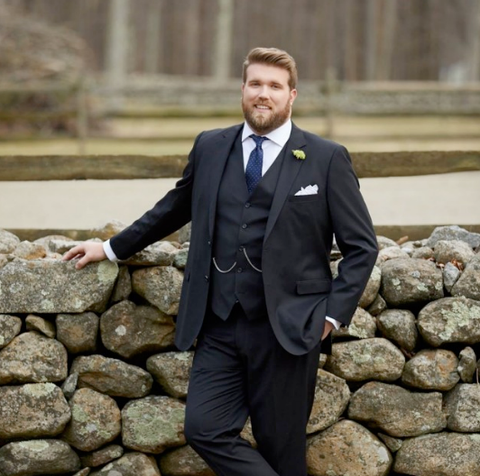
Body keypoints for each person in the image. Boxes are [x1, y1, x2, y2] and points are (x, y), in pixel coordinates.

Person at [63, 47, 378, 476]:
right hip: (220, 323)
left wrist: (332, 317)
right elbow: (174, 208)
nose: (263, 94)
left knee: (281, 450)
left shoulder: (325, 158)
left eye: (274, 86)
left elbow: (362, 246)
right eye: (255, 84)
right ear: (242, 89)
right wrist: (112, 248)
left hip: (289, 328)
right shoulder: (211, 146)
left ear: (292, 95)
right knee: (204, 429)